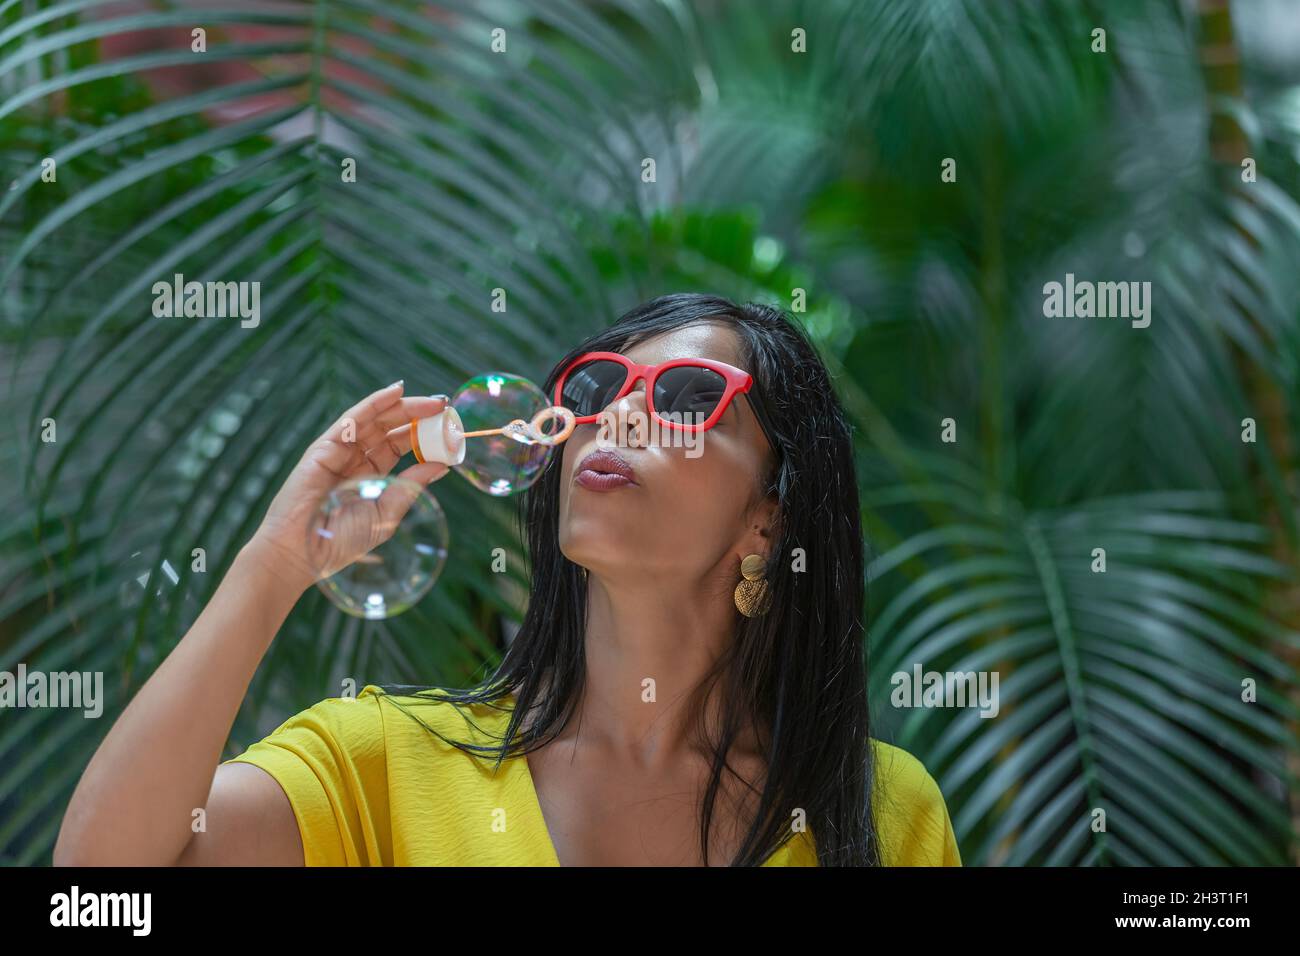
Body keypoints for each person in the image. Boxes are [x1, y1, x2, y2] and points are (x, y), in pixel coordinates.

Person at [53, 293, 961, 867]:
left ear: (770, 516)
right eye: (596, 390)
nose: (619, 415)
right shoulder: (384, 763)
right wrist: (276, 563)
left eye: (686, 396)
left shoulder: (878, 811)